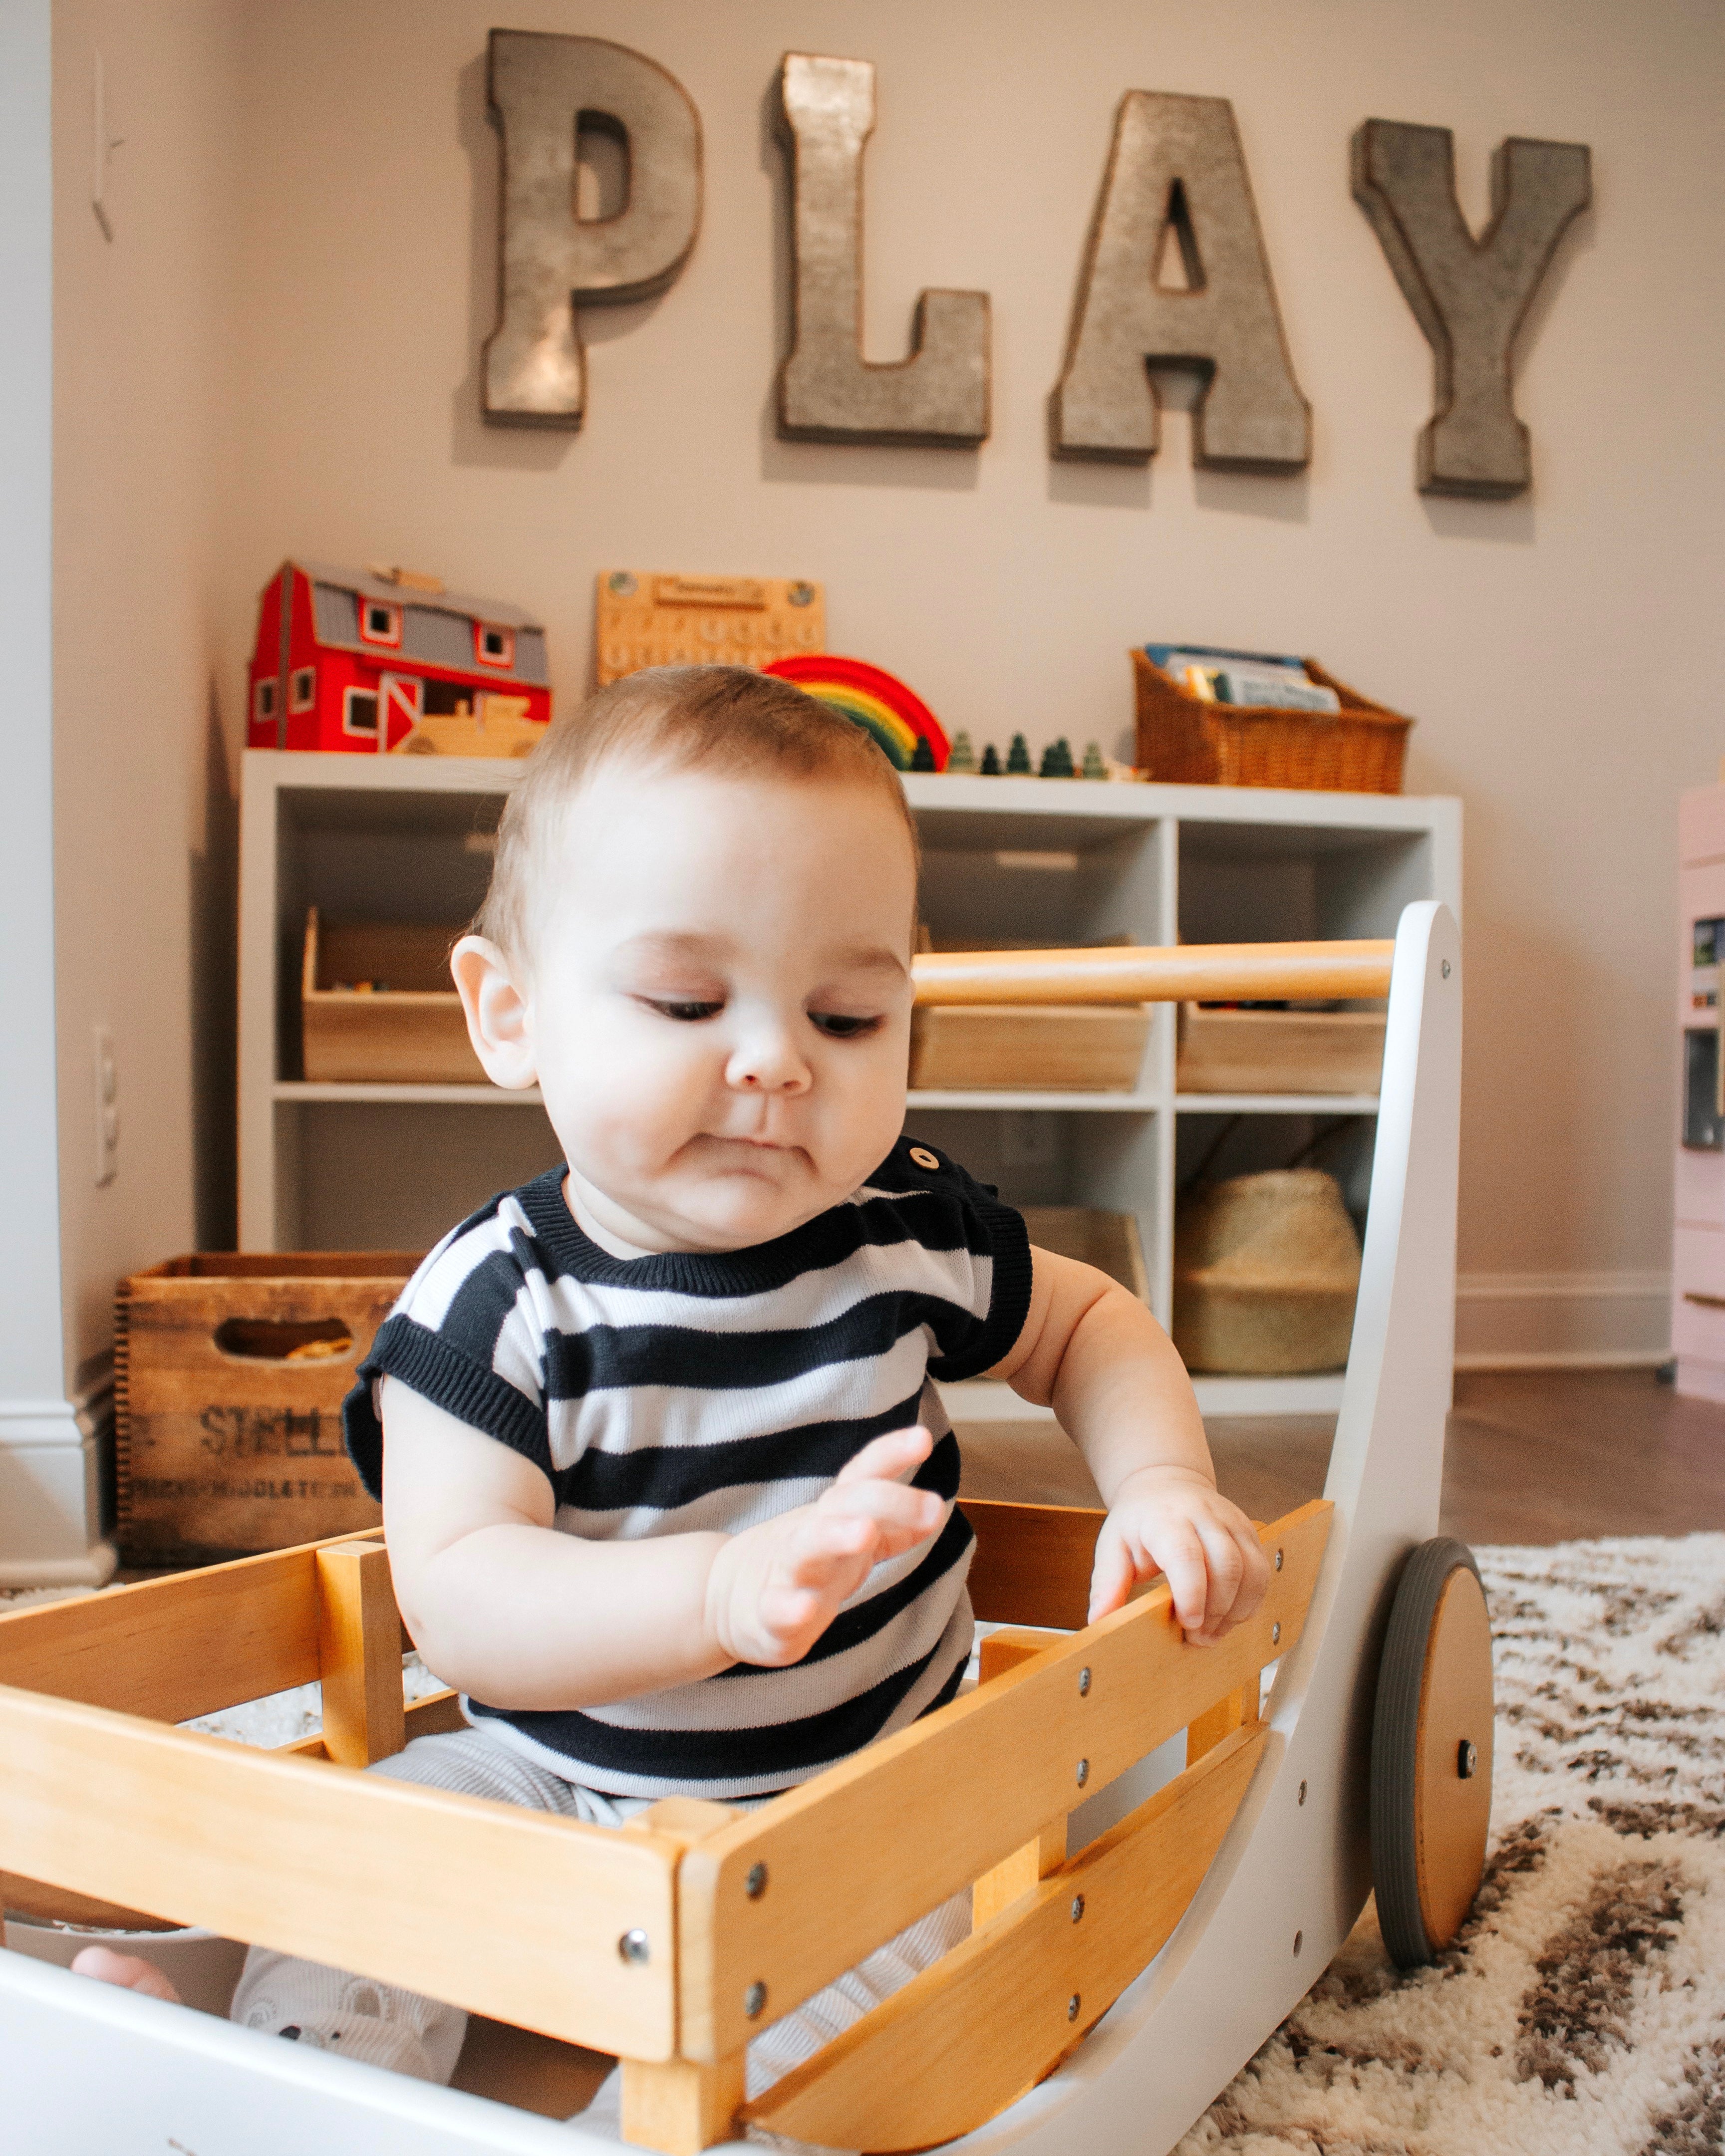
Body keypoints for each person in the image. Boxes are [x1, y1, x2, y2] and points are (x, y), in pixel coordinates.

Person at [78, 665, 1268, 2118]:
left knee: (851, 2008)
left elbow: (1088, 1326)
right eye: (690, 998)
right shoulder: (493, 1302)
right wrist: (714, 1597)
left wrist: (1162, 1483)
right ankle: (273, 2089)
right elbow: (462, 1602)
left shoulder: (906, 1226)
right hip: (549, 1788)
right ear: (508, 1015)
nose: (774, 1060)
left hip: (864, 1806)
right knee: (381, 1859)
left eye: (845, 1018)